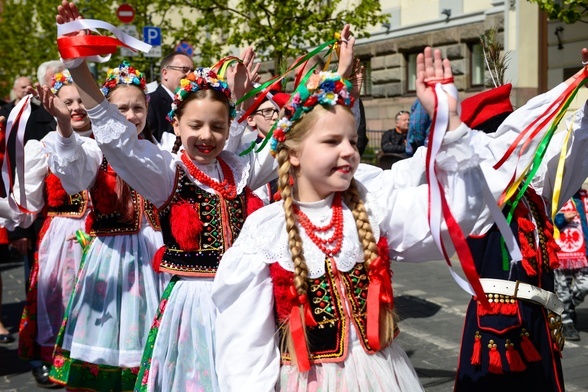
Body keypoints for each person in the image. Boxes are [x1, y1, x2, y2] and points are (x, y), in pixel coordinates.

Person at [210, 44, 498, 390]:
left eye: (351, 141)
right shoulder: (265, 231)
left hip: (381, 376)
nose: (348, 150)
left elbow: (455, 215)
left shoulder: (370, 206)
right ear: (295, 154)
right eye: (331, 141)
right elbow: (245, 346)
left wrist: (449, 122)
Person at [54, 3, 291, 390]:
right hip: (196, 301)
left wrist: (329, 85)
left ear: (231, 126)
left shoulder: (238, 170)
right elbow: (117, 138)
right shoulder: (167, 172)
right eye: (195, 125)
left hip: (244, 300)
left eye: (217, 126)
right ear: (176, 124)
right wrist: (80, 69)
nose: (206, 135)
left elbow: (285, 144)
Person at [453, 55, 588, 390]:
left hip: (538, 322)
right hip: (500, 330)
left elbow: (578, 148)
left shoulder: (533, 190)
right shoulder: (476, 192)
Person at [41, 61, 167, 391]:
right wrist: (65, 128)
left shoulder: (163, 149)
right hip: (115, 256)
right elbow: (72, 176)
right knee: (114, 334)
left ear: (147, 107)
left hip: (157, 253)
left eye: (137, 107)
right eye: (121, 108)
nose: (131, 115)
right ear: (107, 112)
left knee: (157, 336)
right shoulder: (94, 150)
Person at [0, 70, 93, 388]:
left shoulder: (110, 143)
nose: (76, 108)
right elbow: (22, 204)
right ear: (54, 105)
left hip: (106, 238)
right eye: (68, 102)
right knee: (58, 299)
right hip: (62, 237)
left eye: (81, 100)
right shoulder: (44, 147)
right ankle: (54, 361)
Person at [553, 188, 588, 341]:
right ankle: (567, 323)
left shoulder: (583, 196)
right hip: (560, 253)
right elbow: (545, 219)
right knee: (562, 289)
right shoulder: (552, 193)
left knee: (584, 285)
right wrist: (562, 218)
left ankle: (567, 307)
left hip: (582, 252)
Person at [147, 52, 194, 142]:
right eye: (184, 69)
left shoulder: (190, 102)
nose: (190, 75)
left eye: (192, 71)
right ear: (165, 73)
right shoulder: (151, 102)